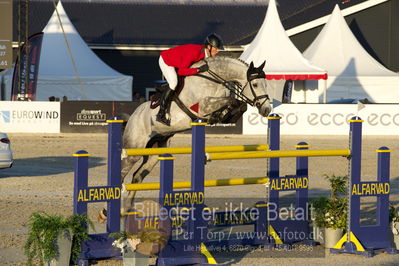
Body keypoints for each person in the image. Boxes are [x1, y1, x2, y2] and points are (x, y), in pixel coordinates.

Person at [156, 33, 224, 126]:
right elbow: (181, 71)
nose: (217, 52)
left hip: (178, 62)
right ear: (208, 47)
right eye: (216, 49)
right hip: (167, 61)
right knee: (173, 83)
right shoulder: (194, 52)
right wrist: (198, 70)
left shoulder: (205, 55)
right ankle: (161, 113)